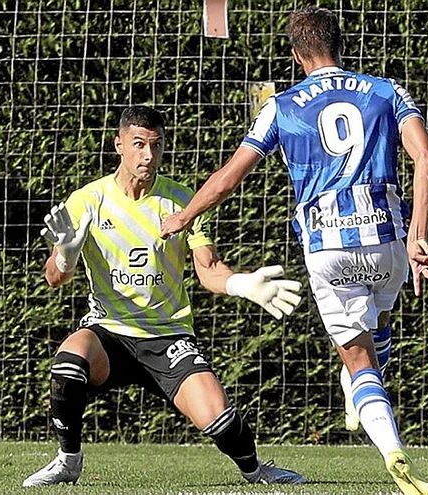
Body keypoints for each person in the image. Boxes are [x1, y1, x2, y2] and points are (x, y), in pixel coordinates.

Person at [160, 7, 428, 495]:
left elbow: (230, 177)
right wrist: (419, 232)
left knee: (358, 359)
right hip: (389, 240)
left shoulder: (282, 105)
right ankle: (360, 391)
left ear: (296, 56)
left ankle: (391, 450)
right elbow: (427, 156)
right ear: (341, 46)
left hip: (327, 247)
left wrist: (183, 217)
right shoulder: (387, 90)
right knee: (375, 330)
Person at [23, 105, 307, 488]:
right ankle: (68, 459)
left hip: (167, 337)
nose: (147, 155)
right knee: (70, 359)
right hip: (109, 333)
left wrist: (242, 284)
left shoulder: (181, 202)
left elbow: (209, 270)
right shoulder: (87, 200)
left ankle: (256, 471)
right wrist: (66, 253)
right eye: (138, 145)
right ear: (118, 145)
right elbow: (55, 278)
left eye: (155, 146)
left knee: (220, 420)